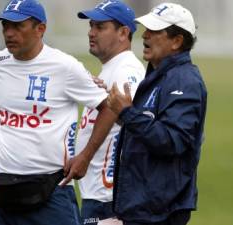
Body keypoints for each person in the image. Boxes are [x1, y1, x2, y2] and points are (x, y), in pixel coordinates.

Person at [0, 0, 116, 225]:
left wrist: (84, 157)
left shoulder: (65, 66)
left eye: (17, 26)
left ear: (40, 29)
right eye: (5, 26)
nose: (9, 33)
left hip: (51, 191)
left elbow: (108, 107)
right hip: (1, 190)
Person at [107, 3, 207, 225]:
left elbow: (173, 140)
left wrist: (128, 113)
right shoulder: (159, 77)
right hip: (144, 207)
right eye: (146, 29)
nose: (145, 36)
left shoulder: (183, 80)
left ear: (177, 41)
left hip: (160, 212)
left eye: (154, 31)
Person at [73, 1, 145, 224]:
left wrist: (84, 156)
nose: (91, 33)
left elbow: (122, 113)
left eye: (100, 27)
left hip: (107, 195)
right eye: (91, 26)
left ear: (124, 33)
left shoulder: (127, 70)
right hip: (97, 192)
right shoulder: (113, 69)